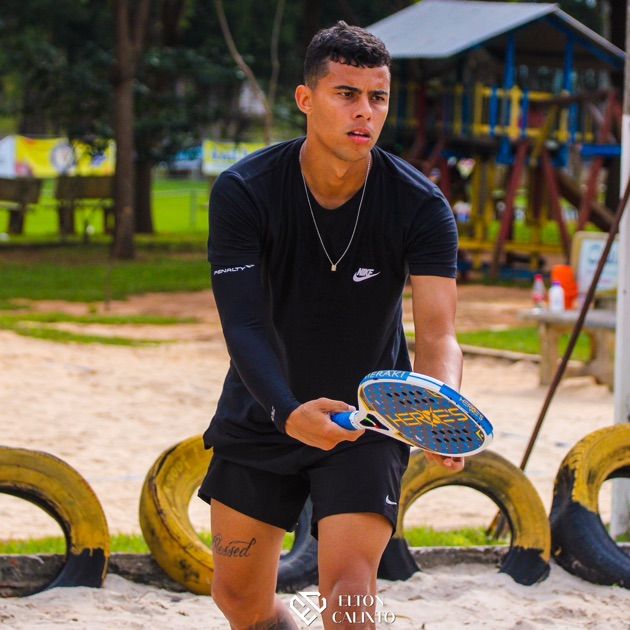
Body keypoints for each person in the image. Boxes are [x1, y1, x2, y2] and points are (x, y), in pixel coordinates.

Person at [198, 21, 464, 630]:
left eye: (378, 97)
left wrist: (437, 409)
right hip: (264, 409)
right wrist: (288, 412)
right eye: (346, 93)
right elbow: (243, 325)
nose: (365, 111)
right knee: (238, 600)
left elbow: (438, 333)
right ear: (306, 98)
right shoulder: (244, 191)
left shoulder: (421, 205)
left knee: (348, 599)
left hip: (368, 418)